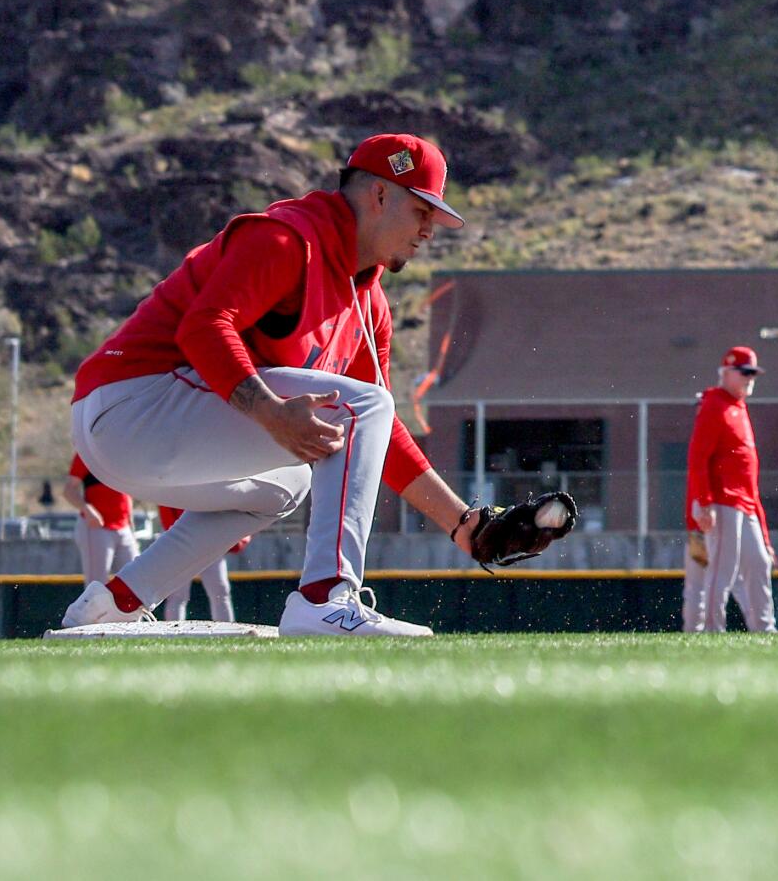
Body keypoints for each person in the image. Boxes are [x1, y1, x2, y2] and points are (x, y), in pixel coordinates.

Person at [59, 133, 505, 637]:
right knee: (357, 408)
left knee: (283, 486)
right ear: (379, 195)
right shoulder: (289, 238)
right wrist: (270, 412)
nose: (430, 229)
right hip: (130, 403)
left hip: (144, 438)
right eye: (423, 209)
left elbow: (380, 432)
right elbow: (204, 327)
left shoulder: (369, 303)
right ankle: (325, 597)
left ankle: (115, 604)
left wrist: (466, 525)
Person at [687, 345, 777, 633]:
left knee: (760, 563)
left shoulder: (738, 408)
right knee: (722, 570)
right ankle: (713, 630)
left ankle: (765, 629)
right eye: (745, 372)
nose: (750, 378)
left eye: (753, 373)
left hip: (746, 503)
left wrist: (764, 534)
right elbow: (698, 458)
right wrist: (705, 502)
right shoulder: (715, 404)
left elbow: (749, 478)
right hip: (723, 502)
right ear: (726, 372)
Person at [680, 500, 762, 632]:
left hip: (700, 530)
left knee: (696, 587)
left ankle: (692, 631)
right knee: (737, 583)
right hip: (716, 528)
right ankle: (759, 627)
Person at [155, 506, 247, 623]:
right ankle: (173, 636)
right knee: (177, 595)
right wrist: (174, 536)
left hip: (210, 537)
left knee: (220, 591)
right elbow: (166, 507)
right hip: (181, 538)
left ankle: (226, 632)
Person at [63, 452, 137, 584]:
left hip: (123, 526)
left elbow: (127, 492)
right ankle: (90, 606)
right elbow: (69, 490)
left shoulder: (125, 453)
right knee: (97, 584)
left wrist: (131, 524)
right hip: (97, 526)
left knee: (135, 580)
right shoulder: (89, 452)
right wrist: (87, 509)